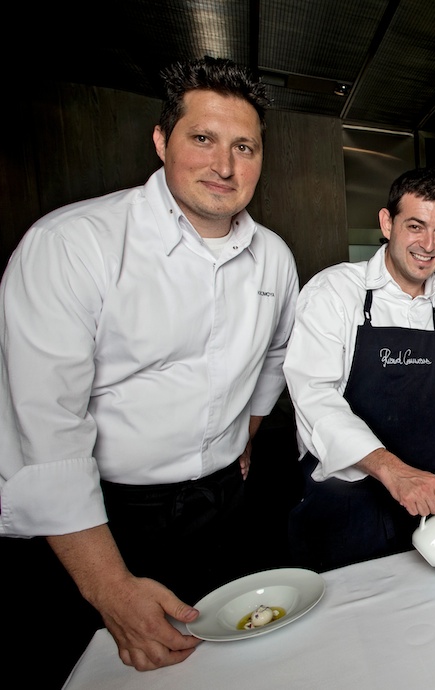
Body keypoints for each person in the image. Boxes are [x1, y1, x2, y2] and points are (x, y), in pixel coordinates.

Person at [0, 56, 299, 672]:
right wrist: (109, 587)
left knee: (225, 663)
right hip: (103, 520)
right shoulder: (73, 245)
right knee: (108, 669)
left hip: (222, 505)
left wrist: (245, 431)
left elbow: (275, 354)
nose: (224, 166)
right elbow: (45, 431)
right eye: (203, 139)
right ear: (162, 141)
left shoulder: (274, 257)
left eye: (244, 146)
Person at [283, 168, 435, 572]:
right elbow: (315, 398)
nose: (428, 244)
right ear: (387, 223)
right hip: (346, 505)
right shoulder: (334, 292)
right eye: (415, 226)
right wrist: (395, 472)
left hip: (433, 506)